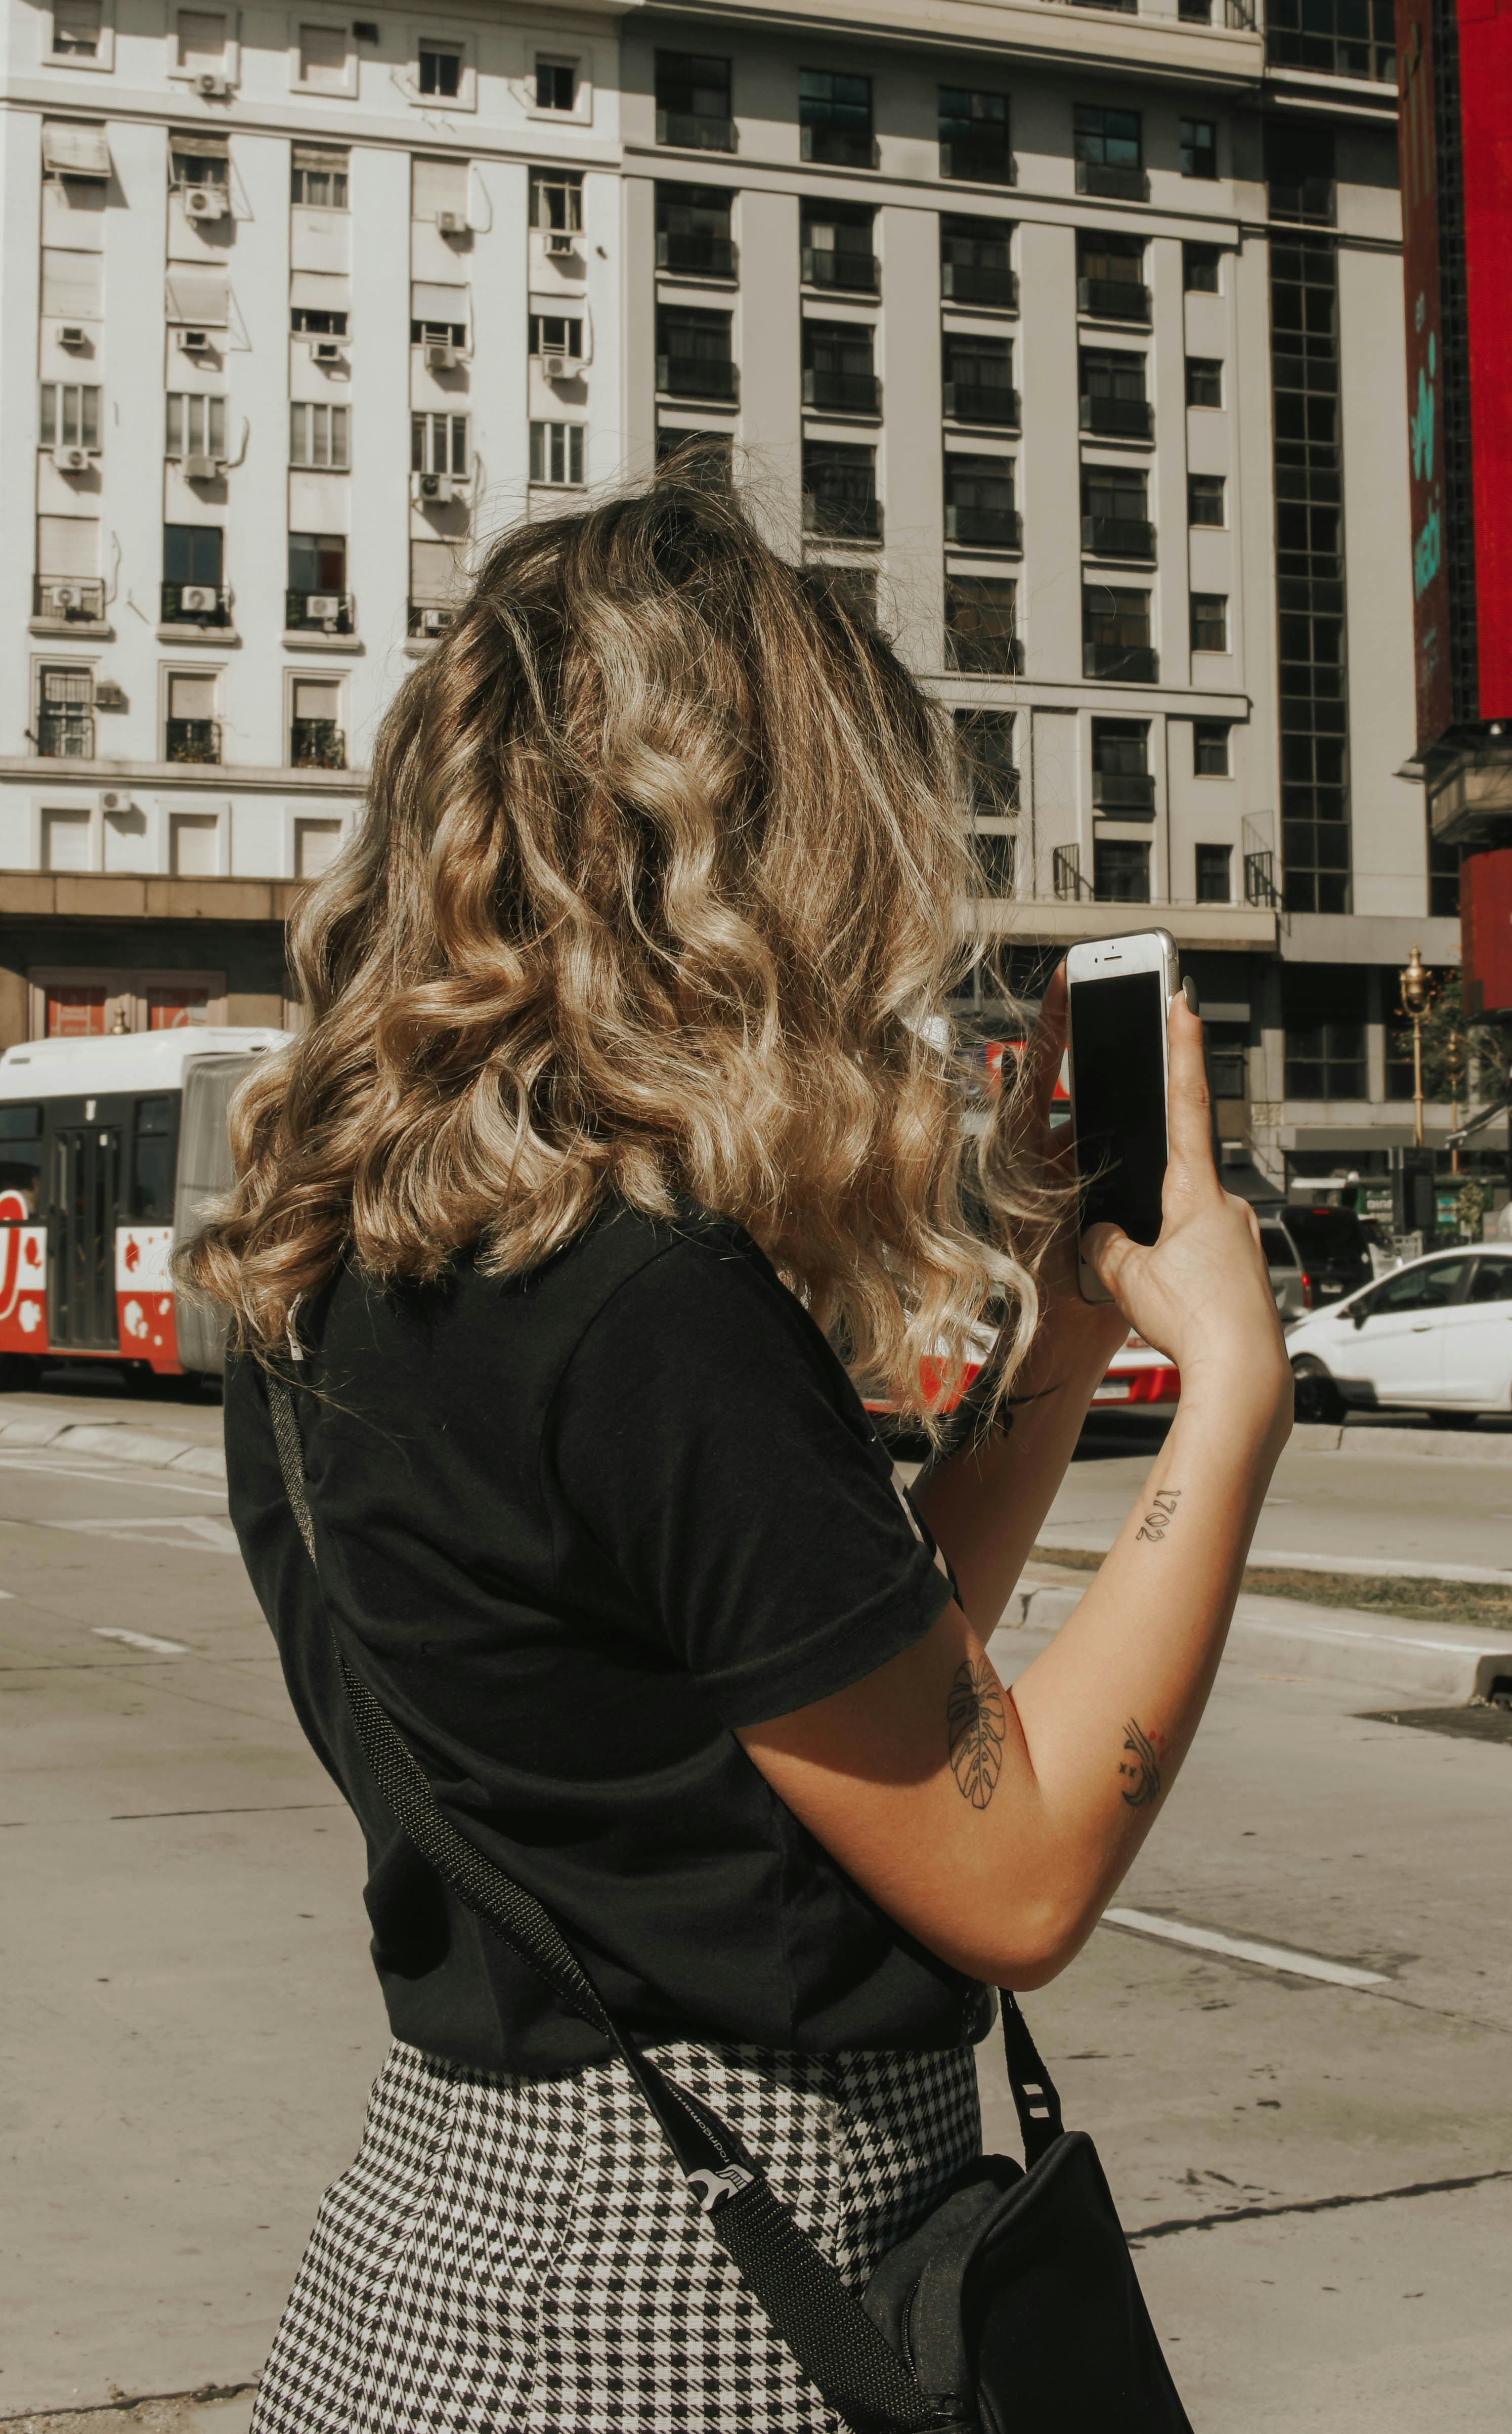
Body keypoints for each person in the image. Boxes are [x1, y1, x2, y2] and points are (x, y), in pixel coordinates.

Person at [192, 477, 1291, 2433]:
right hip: (699, 2305)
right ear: (753, 854)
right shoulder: (647, 1304)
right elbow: (1018, 1879)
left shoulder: (339, 1263)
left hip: (446, 2259)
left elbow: (846, 1682)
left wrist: (1063, 1334)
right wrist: (1233, 1393)